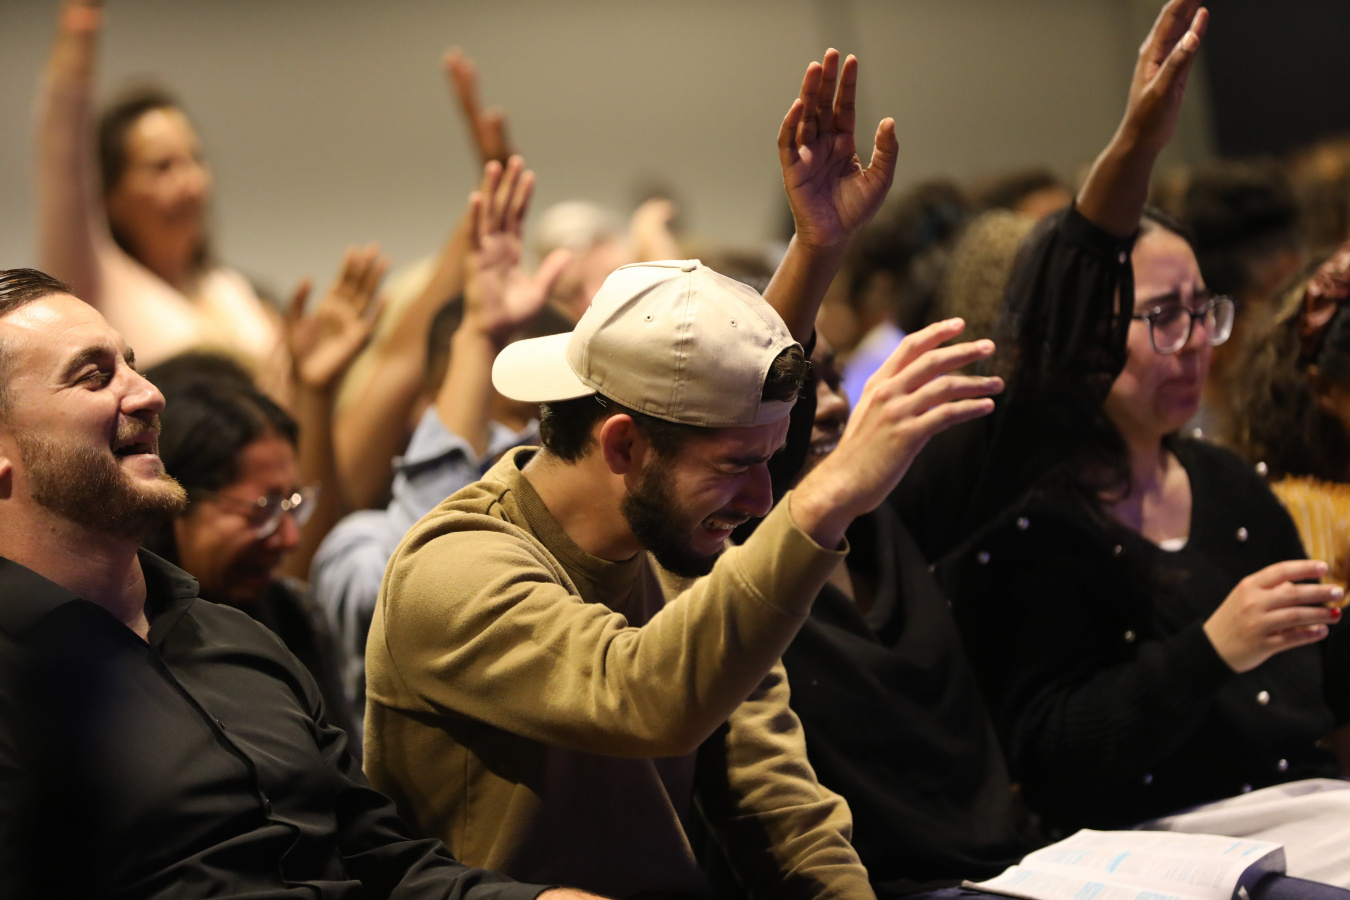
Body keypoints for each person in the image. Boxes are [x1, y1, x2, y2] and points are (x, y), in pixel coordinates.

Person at [363, 49, 1005, 898]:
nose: (763, 496)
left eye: (772, 464)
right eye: (740, 465)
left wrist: (818, 247)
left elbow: (781, 809)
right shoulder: (453, 569)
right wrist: (826, 496)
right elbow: (640, 697)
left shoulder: (677, 551)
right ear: (623, 447)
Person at [895, 1, 1350, 883]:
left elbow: (1318, 695)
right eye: (1161, 317)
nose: (1194, 343)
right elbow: (1052, 759)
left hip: (1303, 814)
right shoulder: (1024, 522)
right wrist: (1212, 647)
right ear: (1086, 341)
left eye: (1202, 310)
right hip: (1149, 852)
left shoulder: (1227, 483)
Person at [0, 268, 601, 900]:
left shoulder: (239, 639)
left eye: (132, 365)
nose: (148, 394)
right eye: (94, 377)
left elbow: (388, 866)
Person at [313, 160, 571, 728]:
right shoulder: (357, 547)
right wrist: (478, 336)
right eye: (513, 429)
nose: (533, 456)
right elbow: (408, 595)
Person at [35, 0, 285, 381]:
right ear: (111, 196)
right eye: (162, 167)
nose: (191, 184)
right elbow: (63, 153)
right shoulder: (96, 284)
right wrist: (81, 24)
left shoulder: (227, 288)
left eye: (194, 159)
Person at [141, 363, 357, 737]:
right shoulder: (127, 646)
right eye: (263, 510)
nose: (290, 539)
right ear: (172, 502)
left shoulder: (292, 616)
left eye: (292, 504)